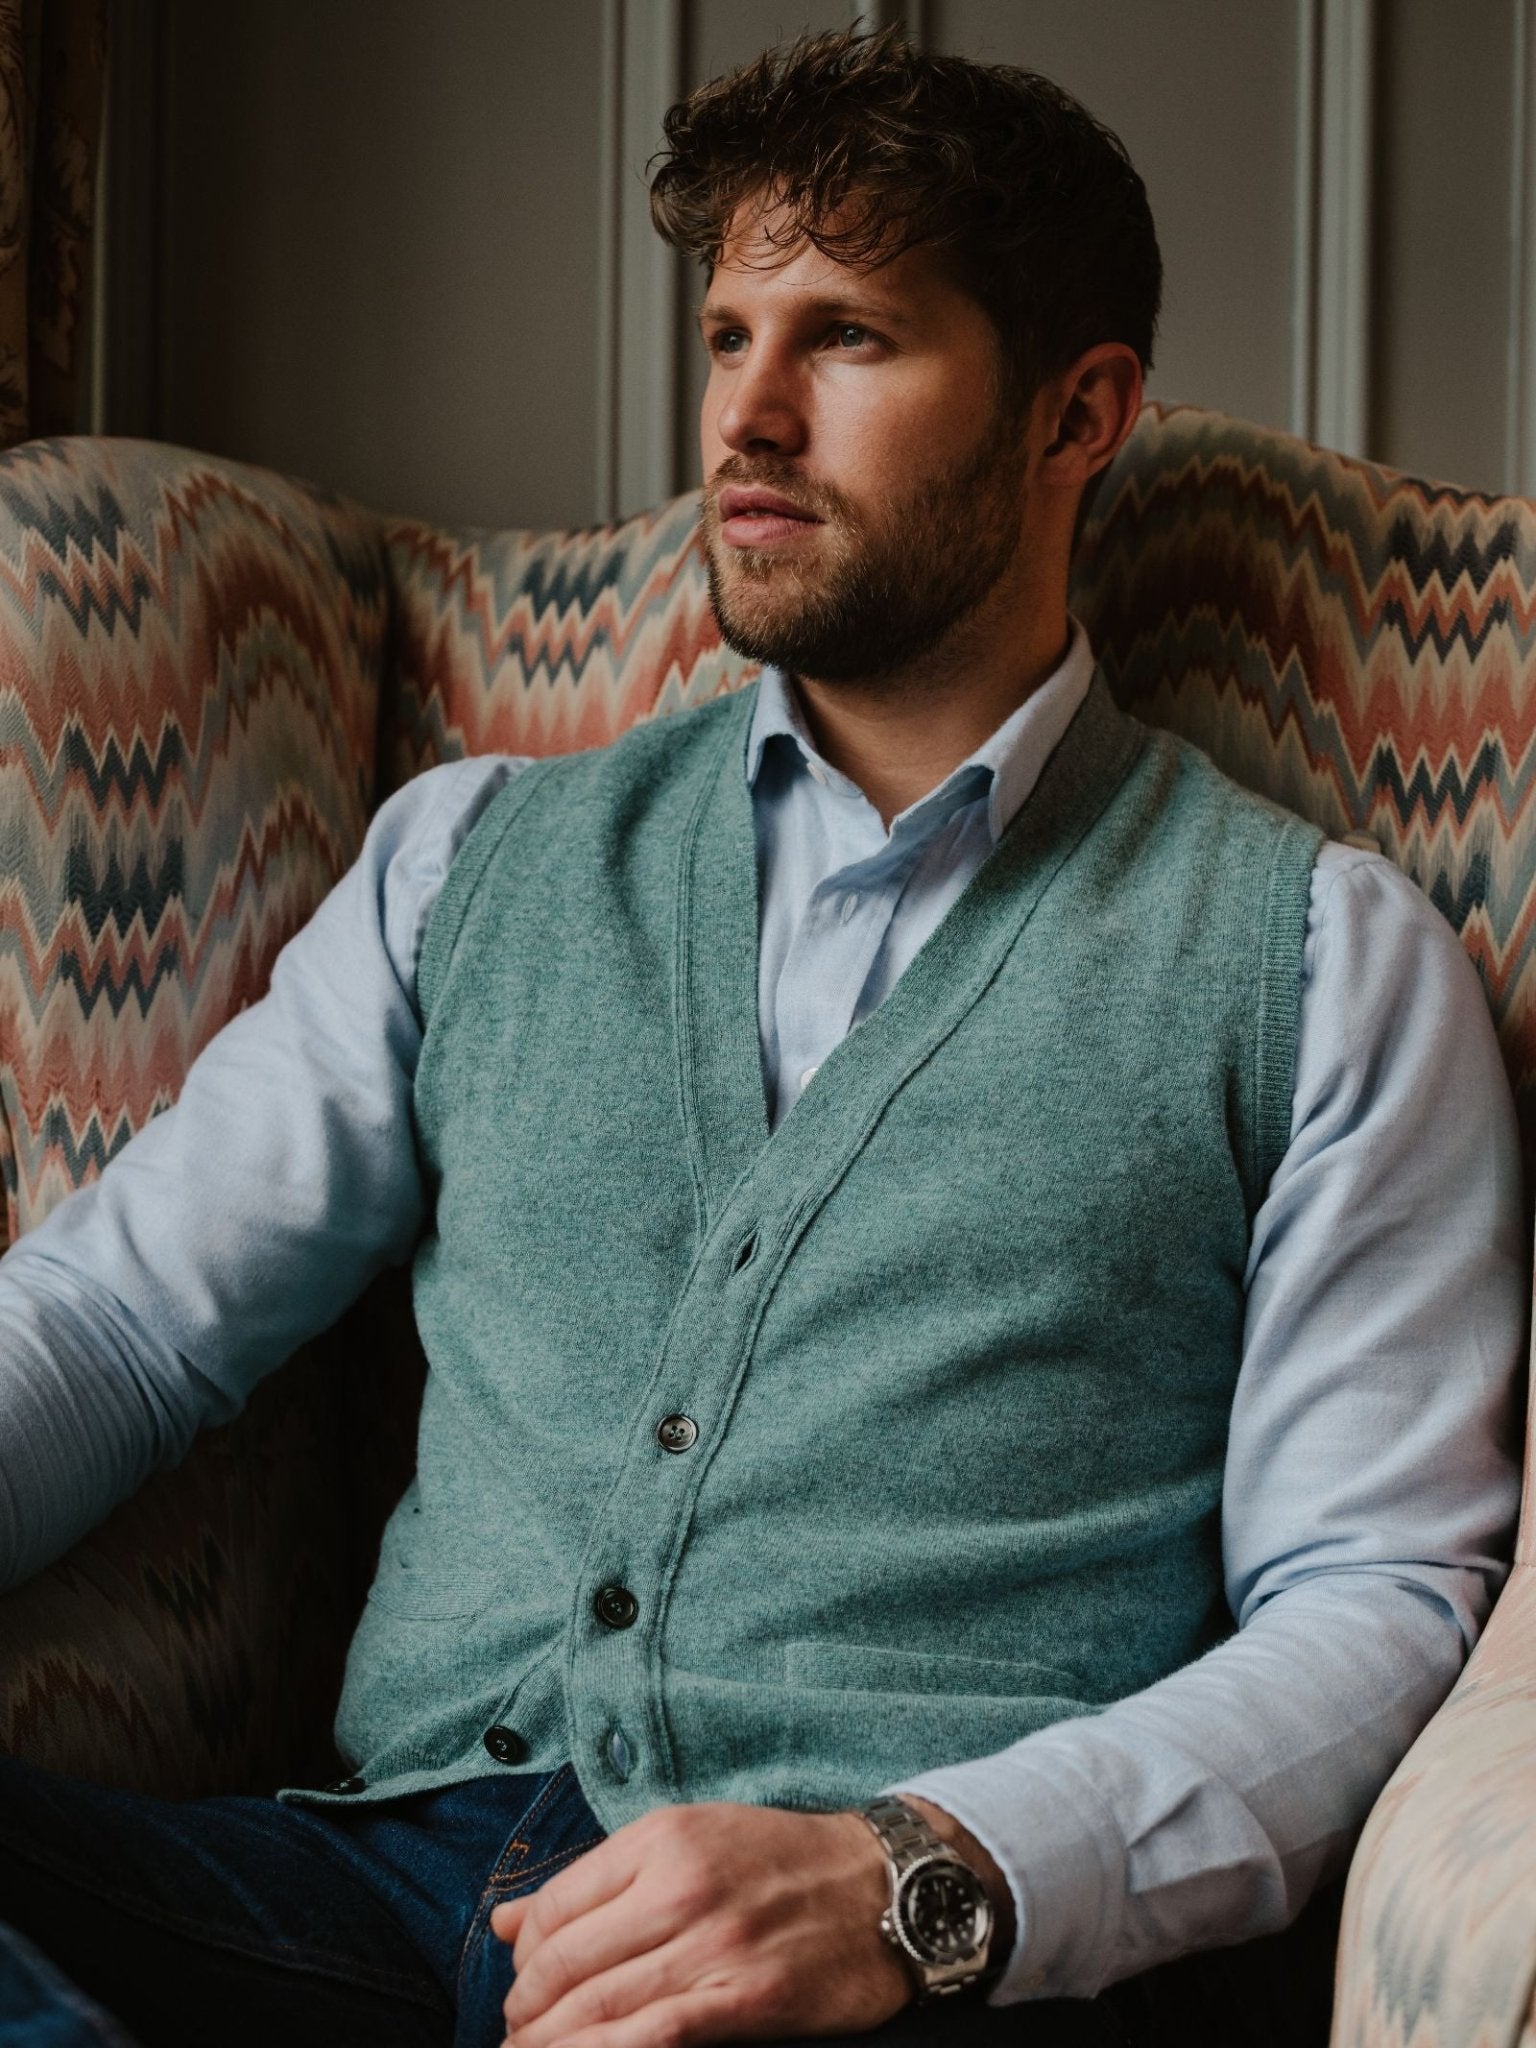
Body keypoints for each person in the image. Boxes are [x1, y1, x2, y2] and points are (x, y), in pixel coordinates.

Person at [0, 26, 1522, 2048]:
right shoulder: (474, 858)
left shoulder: (1327, 958)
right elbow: (128, 1319)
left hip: (892, 1971)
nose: (749, 418)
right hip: (375, 1892)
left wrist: (918, 1877)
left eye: (851, 339)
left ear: (1082, 413)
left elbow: (1378, 1602)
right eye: (728, 334)